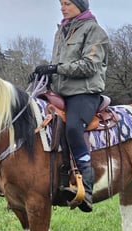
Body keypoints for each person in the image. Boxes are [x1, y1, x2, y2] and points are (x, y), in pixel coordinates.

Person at [29, 0, 109, 212]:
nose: (62, 7)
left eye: (67, 3)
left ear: (80, 5)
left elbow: (90, 65)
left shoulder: (95, 31)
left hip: (84, 93)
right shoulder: (62, 31)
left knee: (73, 127)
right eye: (61, 3)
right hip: (60, 93)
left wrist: (56, 68)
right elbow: (60, 65)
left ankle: (87, 184)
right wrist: (43, 73)